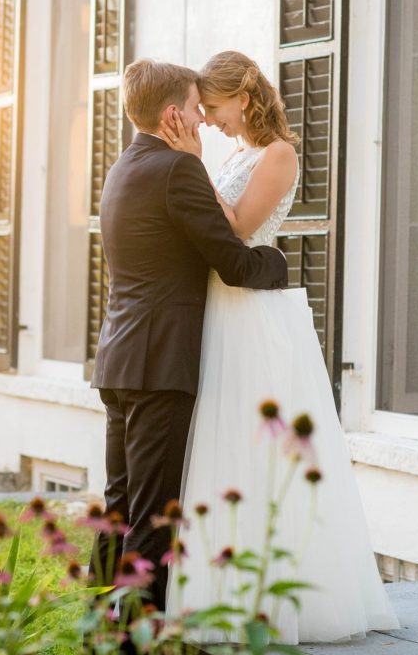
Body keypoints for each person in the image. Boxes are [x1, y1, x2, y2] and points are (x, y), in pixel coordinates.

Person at [159, 50, 399, 642]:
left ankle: (276, 601)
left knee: (260, 451)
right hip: (222, 308)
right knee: (222, 446)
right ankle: (220, 593)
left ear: (242, 98)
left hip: (255, 319)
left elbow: (238, 227)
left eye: (213, 109)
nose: (208, 121)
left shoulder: (279, 154)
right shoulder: (236, 152)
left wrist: (191, 164)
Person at [89, 58, 288, 611]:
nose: (202, 122)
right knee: (155, 512)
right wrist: (278, 264)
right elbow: (235, 265)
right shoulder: (178, 170)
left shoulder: (123, 167)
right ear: (173, 114)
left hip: (120, 359)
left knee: (119, 507)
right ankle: (132, 654)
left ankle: (99, 643)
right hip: (160, 365)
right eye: (198, 111)